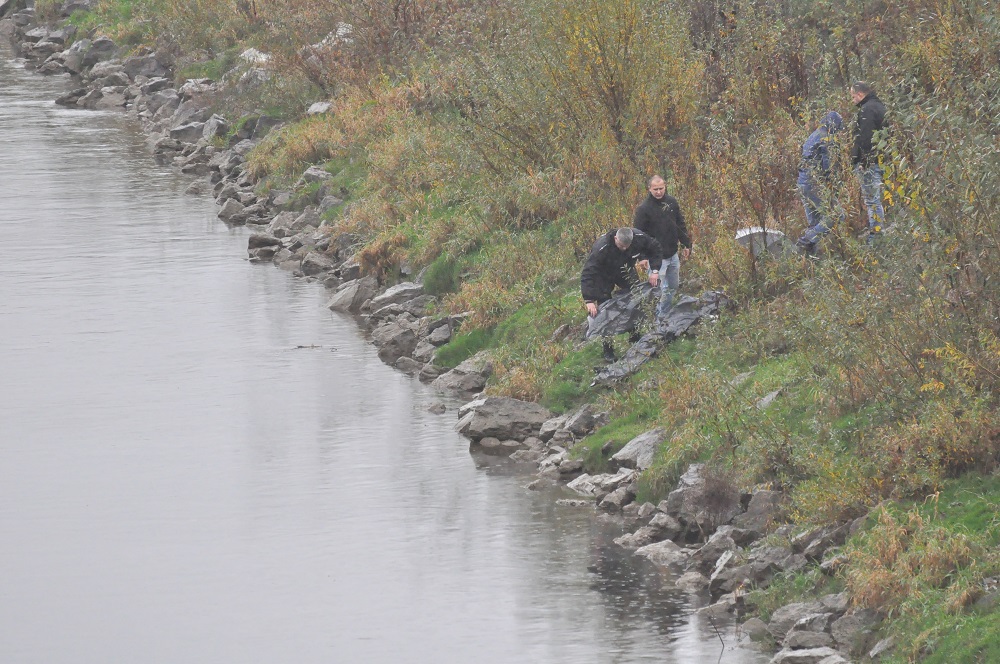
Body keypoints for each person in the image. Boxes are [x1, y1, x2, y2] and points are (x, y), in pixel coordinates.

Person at [581, 227, 663, 362]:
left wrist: (654, 270)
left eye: (627, 247)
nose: (624, 249)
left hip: (625, 270)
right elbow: (588, 273)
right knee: (605, 312)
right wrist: (589, 299)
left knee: (636, 300)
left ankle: (634, 335)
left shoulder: (639, 237)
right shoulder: (602, 248)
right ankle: (608, 349)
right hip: (604, 275)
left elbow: (655, 248)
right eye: (621, 246)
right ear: (615, 239)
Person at [632, 175, 692, 324]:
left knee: (672, 286)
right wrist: (643, 256)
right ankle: (656, 320)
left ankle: (663, 314)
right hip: (655, 259)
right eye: (655, 189)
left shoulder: (671, 202)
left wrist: (686, 244)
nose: (659, 192)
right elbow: (638, 235)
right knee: (656, 291)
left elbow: (680, 224)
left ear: (665, 187)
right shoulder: (643, 209)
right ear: (649, 189)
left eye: (661, 188)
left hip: (672, 254)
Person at [795, 111, 845, 255]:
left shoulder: (813, 135)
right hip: (814, 184)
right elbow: (828, 167)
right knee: (836, 214)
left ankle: (808, 260)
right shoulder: (826, 139)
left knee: (815, 223)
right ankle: (805, 241)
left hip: (802, 183)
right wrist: (833, 187)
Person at [849, 82, 888, 244]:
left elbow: (866, 139)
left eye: (852, 97)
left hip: (869, 163)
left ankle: (876, 237)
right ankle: (876, 231)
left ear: (859, 95)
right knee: (875, 198)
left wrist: (863, 162)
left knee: (872, 200)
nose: (852, 101)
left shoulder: (867, 110)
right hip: (881, 159)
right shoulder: (880, 107)